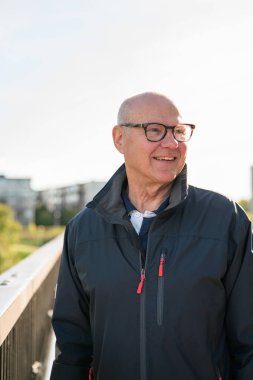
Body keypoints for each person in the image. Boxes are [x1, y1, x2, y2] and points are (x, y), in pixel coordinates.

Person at [50, 92, 253, 380]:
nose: (171, 144)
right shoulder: (83, 230)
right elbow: (72, 349)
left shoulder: (226, 219)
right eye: (154, 130)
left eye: (179, 132)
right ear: (119, 139)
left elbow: (248, 341)